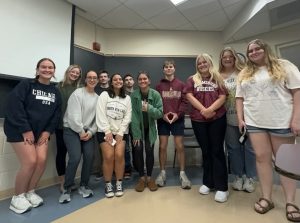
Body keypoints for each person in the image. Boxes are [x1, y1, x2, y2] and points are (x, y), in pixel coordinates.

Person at [236, 39, 300, 221]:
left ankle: (290, 202)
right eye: (250, 51)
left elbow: (297, 92)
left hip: (281, 122)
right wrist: (241, 118)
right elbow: (239, 98)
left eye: (257, 49)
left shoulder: (284, 66)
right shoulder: (245, 73)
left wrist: (297, 119)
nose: (254, 52)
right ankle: (267, 198)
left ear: (266, 49)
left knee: (286, 163)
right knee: (261, 159)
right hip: (255, 122)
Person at [4, 58, 61, 214]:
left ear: (54, 71)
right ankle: (17, 198)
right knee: (30, 161)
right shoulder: (26, 85)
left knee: (41, 161)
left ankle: (30, 192)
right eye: (43, 67)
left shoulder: (55, 91)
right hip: (19, 130)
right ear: (37, 69)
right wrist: (25, 129)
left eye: (50, 67)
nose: (47, 70)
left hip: (41, 132)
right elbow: (14, 106)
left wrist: (47, 131)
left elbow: (56, 114)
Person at [185, 53, 229, 203]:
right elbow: (189, 96)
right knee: (206, 151)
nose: (202, 65)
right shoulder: (192, 79)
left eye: (205, 62)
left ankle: (222, 187)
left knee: (217, 151)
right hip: (199, 119)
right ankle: (208, 182)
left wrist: (211, 110)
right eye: (199, 63)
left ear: (210, 63)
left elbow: (223, 97)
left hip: (217, 118)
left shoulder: (218, 78)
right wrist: (204, 110)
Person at [219, 47, 256, 193]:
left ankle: (250, 177)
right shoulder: (218, 76)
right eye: (224, 57)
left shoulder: (244, 73)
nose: (227, 59)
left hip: (247, 117)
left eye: (230, 56)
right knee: (233, 149)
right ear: (221, 60)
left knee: (250, 149)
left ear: (234, 58)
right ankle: (238, 176)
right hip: (227, 119)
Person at [59, 70, 98, 204]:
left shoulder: (98, 98)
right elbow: (73, 116)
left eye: (94, 78)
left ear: (97, 80)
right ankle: (67, 188)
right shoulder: (77, 93)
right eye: (89, 78)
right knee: (75, 157)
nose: (92, 80)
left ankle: (83, 186)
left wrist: (91, 132)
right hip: (71, 130)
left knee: (89, 156)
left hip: (87, 132)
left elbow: (97, 120)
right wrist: (81, 132)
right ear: (85, 80)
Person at [155, 60, 191, 189]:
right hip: (163, 120)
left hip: (178, 119)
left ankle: (182, 173)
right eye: (166, 67)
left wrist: (178, 114)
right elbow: (156, 102)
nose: (168, 69)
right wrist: (163, 114)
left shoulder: (181, 85)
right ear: (163, 69)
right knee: (163, 146)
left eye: (171, 67)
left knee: (180, 146)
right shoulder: (159, 86)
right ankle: (162, 172)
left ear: (174, 69)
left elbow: (185, 101)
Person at [96, 73, 132, 198]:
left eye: (120, 79)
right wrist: (107, 131)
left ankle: (118, 183)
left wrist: (121, 133)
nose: (118, 81)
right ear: (111, 82)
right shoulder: (104, 95)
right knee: (109, 156)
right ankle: (108, 184)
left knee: (119, 155)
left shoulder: (127, 98)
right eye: (115, 79)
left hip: (121, 133)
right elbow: (100, 113)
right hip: (104, 132)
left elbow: (127, 116)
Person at [131, 71, 163, 192]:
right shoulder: (133, 95)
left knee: (149, 151)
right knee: (138, 150)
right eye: (140, 79)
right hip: (137, 128)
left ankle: (149, 178)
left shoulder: (155, 95)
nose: (142, 81)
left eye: (145, 79)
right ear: (137, 82)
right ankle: (141, 178)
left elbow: (160, 113)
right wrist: (136, 134)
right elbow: (133, 116)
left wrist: (148, 108)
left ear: (149, 81)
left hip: (150, 128)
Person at [55, 65, 82, 192]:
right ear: (68, 72)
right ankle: (63, 181)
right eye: (73, 71)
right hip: (61, 126)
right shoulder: (58, 87)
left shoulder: (80, 88)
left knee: (75, 155)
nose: (75, 74)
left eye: (77, 73)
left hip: (76, 127)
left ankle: (70, 180)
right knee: (61, 153)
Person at [94, 70, 110, 181]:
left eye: (105, 76)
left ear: (108, 78)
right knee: (102, 149)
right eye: (101, 77)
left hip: (113, 123)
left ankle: (114, 170)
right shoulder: (96, 90)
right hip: (100, 123)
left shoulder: (113, 89)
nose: (103, 78)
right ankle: (102, 170)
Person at [123, 73, 135, 178]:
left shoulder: (138, 93)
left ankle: (138, 166)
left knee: (137, 146)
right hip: (125, 125)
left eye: (130, 79)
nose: (128, 81)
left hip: (136, 125)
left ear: (133, 81)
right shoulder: (121, 94)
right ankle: (127, 168)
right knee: (126, 148)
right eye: (126, 80)